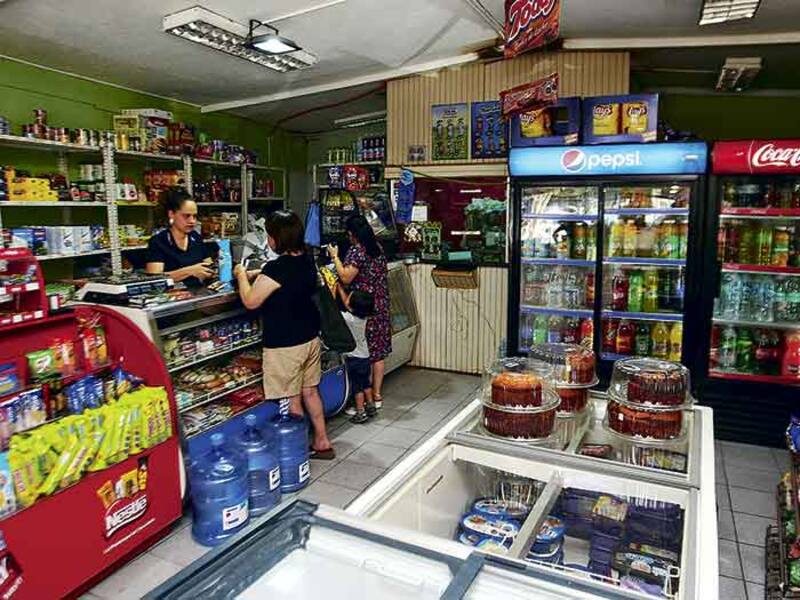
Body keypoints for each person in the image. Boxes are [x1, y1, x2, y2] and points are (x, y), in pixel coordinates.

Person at [233, 210, 335, 460]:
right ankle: (322, 441)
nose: (268, 240)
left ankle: (296, 451)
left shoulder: (277, 268)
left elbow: (250, 300)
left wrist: (240, 276)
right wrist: (259, 274)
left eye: (269, 235)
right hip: (310, 337)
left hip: (285, 344)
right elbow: (280, 280)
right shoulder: (306, 260)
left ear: (278, 238)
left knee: (291, 398)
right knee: (310, 391)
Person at [328, 214, 391, 410]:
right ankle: (376, 396)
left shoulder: (357, 251)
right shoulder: (376, 247)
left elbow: (346, 277)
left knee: (361, 353)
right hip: (379, 304)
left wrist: (335, 256)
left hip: (362, 305)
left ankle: (360, 401)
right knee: (377, 353)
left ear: (352, 234)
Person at [145, 189, 214, 286]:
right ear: (171, 214)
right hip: (172, 294)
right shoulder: (159, 241)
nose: (192, 221)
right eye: (186, 216)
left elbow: (209, 266)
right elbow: (154, 281)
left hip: (197, 292)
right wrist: (189, 271)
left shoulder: (195, 237)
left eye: (194, 216)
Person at [338, 286, 376, 424]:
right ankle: (371, 405)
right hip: (365, 357)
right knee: (366, 383)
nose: (346, 299)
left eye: (349, 297)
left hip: (354, 359)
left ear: (352, 306)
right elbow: (348, 305)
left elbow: (334, 313)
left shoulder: (349, 319)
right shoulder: (363, 317)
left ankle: (360, 412)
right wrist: (339, 288)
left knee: (357, 387)